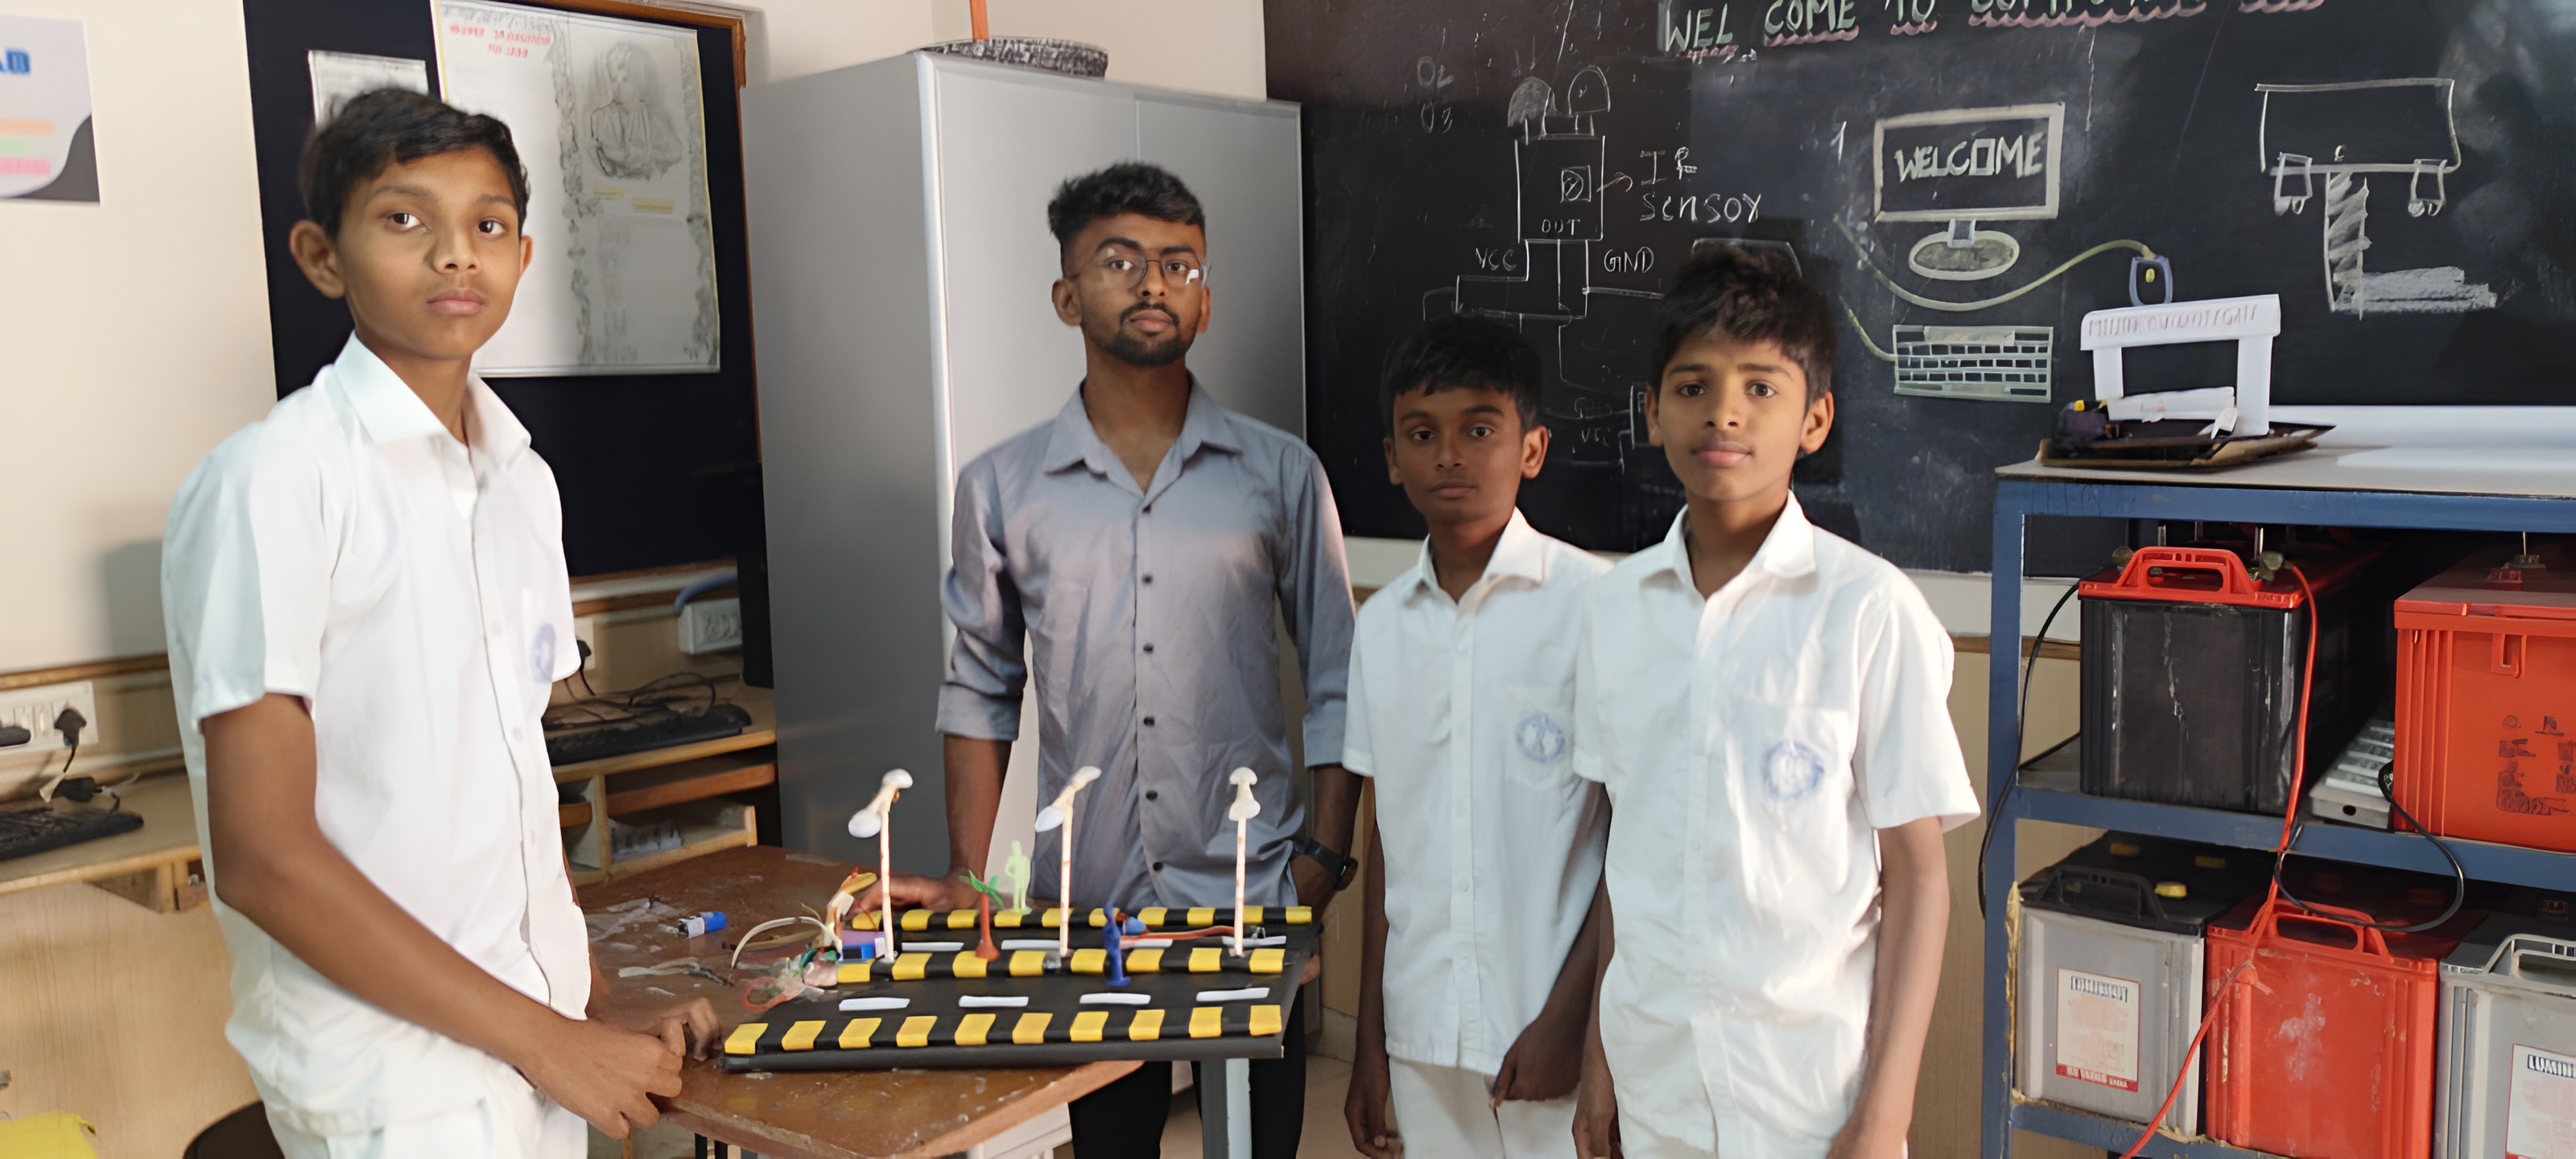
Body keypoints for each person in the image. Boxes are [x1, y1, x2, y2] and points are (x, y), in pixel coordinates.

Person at [161, 89, 715, 1157]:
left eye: (488, 224)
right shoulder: (277, 481)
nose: (456, 253)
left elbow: (511, 789)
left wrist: (589, 1008)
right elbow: (264, 859)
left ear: (523, 255)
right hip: (393, 1087)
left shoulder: (521, 482)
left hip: (529, 1051)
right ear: (323, 257)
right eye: (405, 218)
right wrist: (551, 1041)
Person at [860, 162, 1361, 1157]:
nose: (1152, 282)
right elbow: (980, 688)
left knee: (1257, 1145)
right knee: (1113, 1144)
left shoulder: (1280, 474)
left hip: (1250, 893)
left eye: (1179, 263)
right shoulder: (1002, 487)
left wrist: (1323, 863)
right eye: (1119, 260)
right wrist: (969, 876)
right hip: (1086, 906)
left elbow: (1340, 677)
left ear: (1205, 301)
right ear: (1065, 296)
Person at [1568, 248, 1978, 1159]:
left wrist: (1884, 1116)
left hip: (1808, 1099)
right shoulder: (1611, 612)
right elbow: (1628, 853)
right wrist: (1600, 1063)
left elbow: (1917, 879)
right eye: (1693, 387)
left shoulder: (1868, 611)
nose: (1723, 412)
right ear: (1652, 411)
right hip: (1656, 1083)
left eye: (1760, 388)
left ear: (1814, 419)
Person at [1341, 316, 1611, 1159]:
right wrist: (1371, 1042)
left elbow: (1636, 838)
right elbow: (1388, 838)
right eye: (1422, 434)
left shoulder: (1595, 608)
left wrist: (1574, 1021)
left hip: (1550, 1022)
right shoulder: (1381, 626)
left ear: (1531, 449)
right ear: (1393, 458)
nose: (1449, 455)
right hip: (1423, 1030)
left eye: (1479, 430)